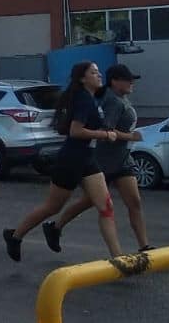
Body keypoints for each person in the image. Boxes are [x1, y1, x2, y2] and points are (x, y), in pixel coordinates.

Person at [4, 61, 123, 261]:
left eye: (98, 71)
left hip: (87, 159)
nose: (99, 75)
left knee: (105, 205)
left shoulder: (90, 98)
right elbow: (75, 131)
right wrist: (103, 134)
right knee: (52, 207)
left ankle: (118, 258)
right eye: (94, 72)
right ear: (83, 78)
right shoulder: (83, 99)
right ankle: (15, 236)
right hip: (71, 159)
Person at [42, 64, 151, 252]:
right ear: (115, 82)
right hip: (105, 161)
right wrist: (131, 136)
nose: (132, 83)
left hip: (123, 159)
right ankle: (55, 226)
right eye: (128, 79)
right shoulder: (113, 102)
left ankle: (145, 246)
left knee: (134, 201)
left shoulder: (120, 98)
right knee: (90, 202)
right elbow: (105, 131)